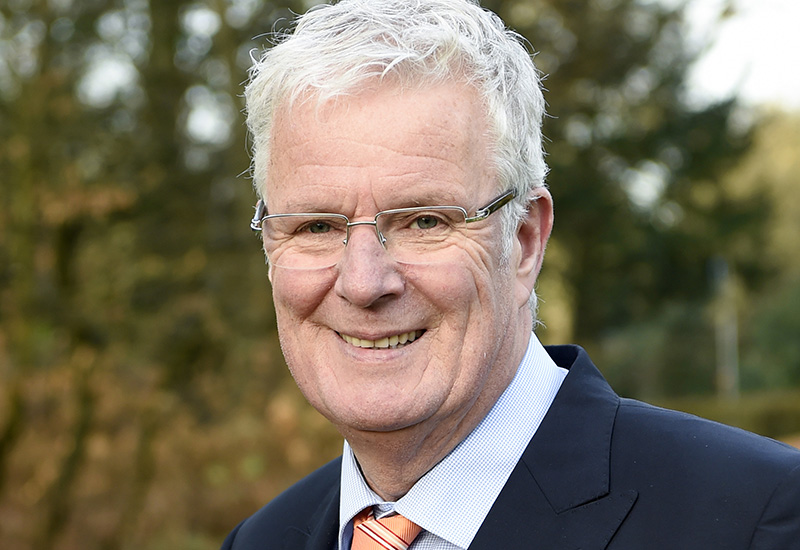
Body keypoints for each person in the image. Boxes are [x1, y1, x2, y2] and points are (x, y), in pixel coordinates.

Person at [222, 0, 800, 548]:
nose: (364, 282)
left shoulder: (756, 520)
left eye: (424, 221)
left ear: (524, 241)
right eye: (317, 227)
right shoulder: (260, 541)